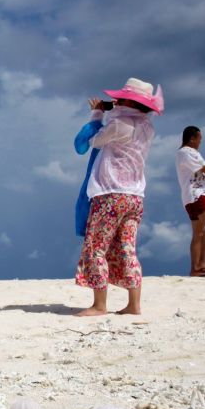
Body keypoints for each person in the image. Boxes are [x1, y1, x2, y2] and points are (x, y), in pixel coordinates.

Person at [74, 78, 163, 316]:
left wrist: (96, 114)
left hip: (111, 193)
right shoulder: (147, 127)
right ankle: (134, 305)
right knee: (127, 249)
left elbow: (93, 141)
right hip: (135, 195)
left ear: (127, 100)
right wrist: (111, 110)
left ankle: (99, 305)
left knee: (96, 248)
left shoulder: (120, 123)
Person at [176, 126, 205, 277]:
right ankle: (203, 262)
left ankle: (195, 269)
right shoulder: (188, 152)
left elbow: (201, 169)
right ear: (192, 139)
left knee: (198, 233)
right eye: (199, 139)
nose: (200, 142)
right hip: (197, 194)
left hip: (190, 196)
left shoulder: (185, 153)